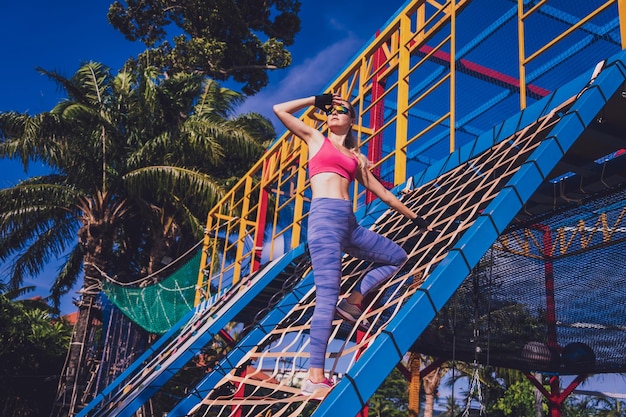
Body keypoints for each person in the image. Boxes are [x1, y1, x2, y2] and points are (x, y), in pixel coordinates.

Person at [273, 93, 430, 397]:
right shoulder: (316, 139)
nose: (333, 113)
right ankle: (314, 376)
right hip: (325, 224)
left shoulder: (355, 159)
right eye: (329, 110)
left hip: (351, 226)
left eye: (341, 110)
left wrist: (415, 217)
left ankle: (354, 300)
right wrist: (315, 100)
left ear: (351, 119)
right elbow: (279, 108)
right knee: (325, 299)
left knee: (397, 256)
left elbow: (384, 194)